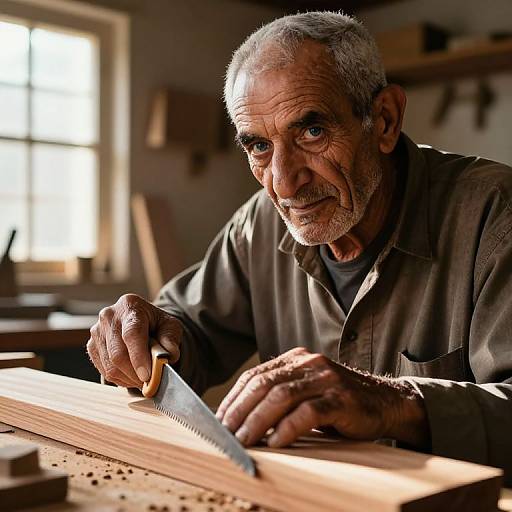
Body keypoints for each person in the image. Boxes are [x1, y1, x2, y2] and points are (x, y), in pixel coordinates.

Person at [87, 12, 512, 482]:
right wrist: (144, 337)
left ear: (385, 120)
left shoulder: (496, 216)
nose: (285, 184)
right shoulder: (259, 225)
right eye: (259, 148)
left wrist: (394, 403)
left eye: (312, 132)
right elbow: (189, 331)